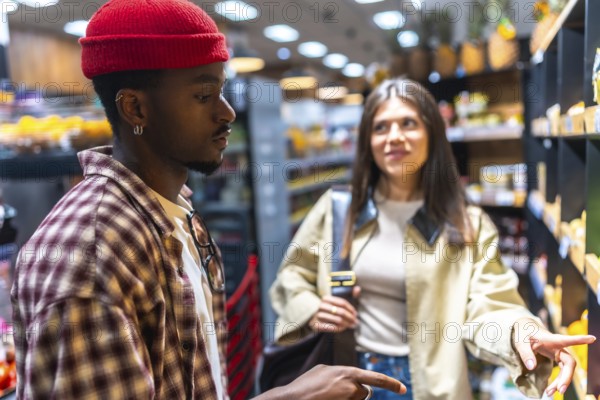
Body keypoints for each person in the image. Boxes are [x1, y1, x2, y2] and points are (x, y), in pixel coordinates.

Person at [9, 1, 407, 399]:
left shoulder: (174, 212)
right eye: (204, 95)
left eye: (222, 90)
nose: (228, 112)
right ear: (135, 108)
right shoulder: (90, 257)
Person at [269, 78, 596, 400]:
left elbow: (489, 302)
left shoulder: (466, 223)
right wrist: (311, 308)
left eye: (408, 123)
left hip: (431, 386)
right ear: (368, 140)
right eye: (381, 127)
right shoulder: (338, 209)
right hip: (349, 382)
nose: (394, 137)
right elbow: (291, 277)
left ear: (432, 134)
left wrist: (521, 331)